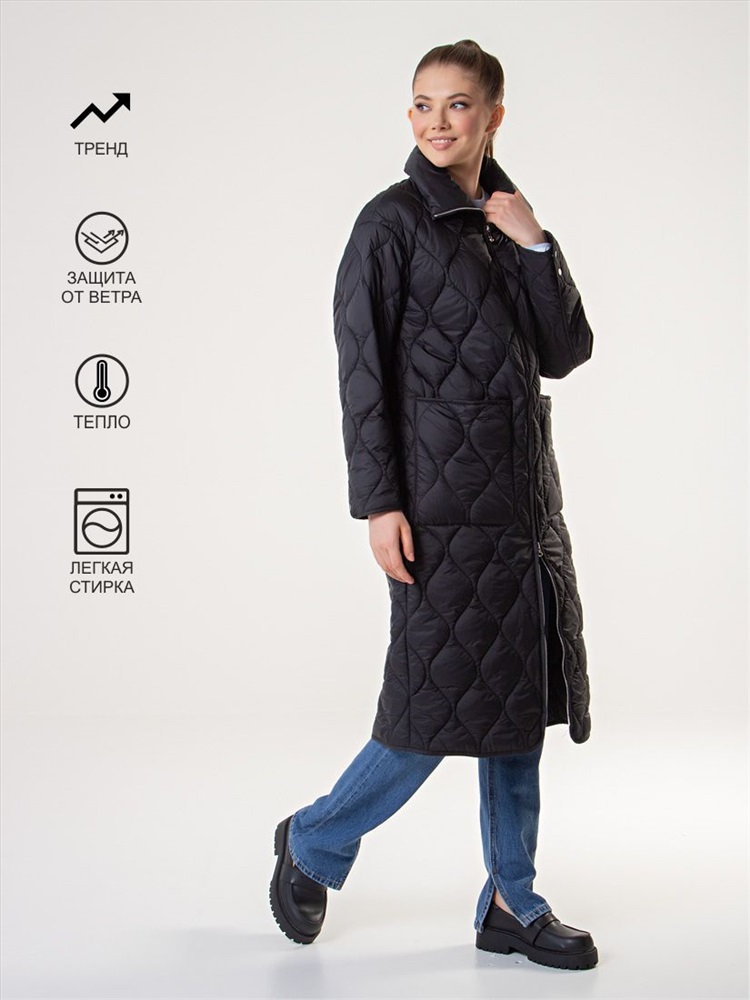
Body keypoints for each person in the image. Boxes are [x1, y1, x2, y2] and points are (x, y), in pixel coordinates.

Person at [270, 38, 598, 971]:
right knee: (431, 709)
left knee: (516, 708)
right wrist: (379, 502)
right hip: (438, 511)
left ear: (494, 116)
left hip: (523, 510)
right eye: (422, 104)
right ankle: (315, 838)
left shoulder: (505, 220)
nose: (437, 121)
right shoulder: (389, 224)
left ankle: (512, 899)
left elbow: (566, 351)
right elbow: (362, 374)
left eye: (457, 105)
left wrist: (535, 243)